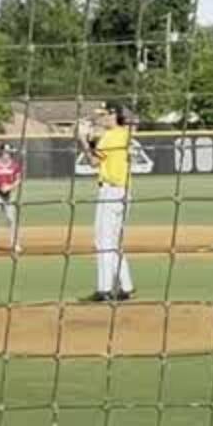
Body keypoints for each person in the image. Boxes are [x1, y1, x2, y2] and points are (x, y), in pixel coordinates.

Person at [79, 102, 135, 302]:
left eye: (104, 115)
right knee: (114, 243)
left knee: (103, 242)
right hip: (124, 192)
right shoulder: (123, 133)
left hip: (110, 192)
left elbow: (94, 161)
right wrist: (92, 135)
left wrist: (83, 140)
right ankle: (126, 286)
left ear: (113, 115)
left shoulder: (111, 137)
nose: (101, 118)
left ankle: (104, 289)